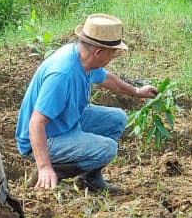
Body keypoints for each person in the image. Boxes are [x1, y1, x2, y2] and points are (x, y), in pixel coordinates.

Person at [16, 14, 156, 194]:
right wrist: (44, 166)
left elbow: (107, 79)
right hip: (44, 138)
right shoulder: (62, 75)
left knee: (117, 118)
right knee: (107, 149)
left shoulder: (84, 59)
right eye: (113, 52)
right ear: (98, 52)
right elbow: (36, 124)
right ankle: (52, 173)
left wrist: (136, 92)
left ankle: (90, 179)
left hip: (66, 122)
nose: (114, 57)